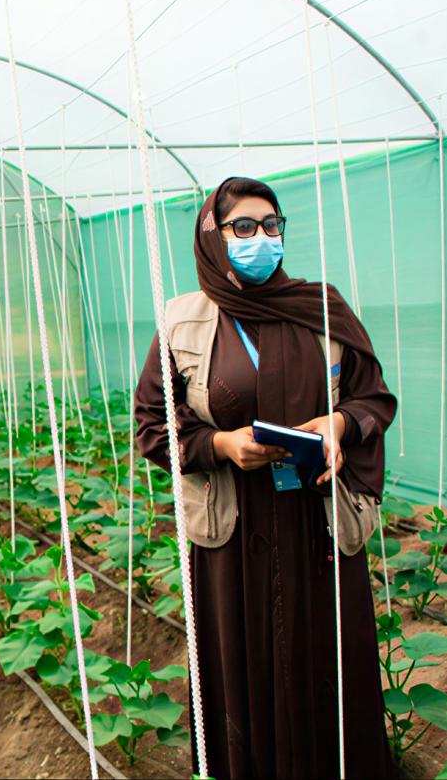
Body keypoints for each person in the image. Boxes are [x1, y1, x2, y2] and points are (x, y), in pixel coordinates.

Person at [134, 177, 398, 779]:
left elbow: (374, 400)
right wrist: (220, 444)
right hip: (234, 530)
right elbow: (153, 425)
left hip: (316, 522)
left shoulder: (322, 307)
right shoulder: (182, 321)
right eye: (243, 227)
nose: (261, 238)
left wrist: (337, 424)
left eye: (271, 225)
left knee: (325, 656)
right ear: (213, 236)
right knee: (243, 660)